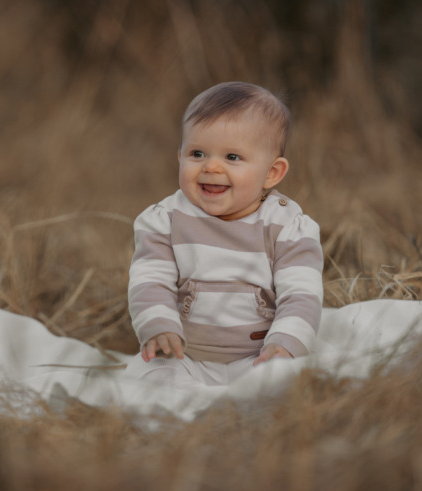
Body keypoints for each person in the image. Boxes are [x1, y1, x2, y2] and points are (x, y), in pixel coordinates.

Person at [126, 81, 323, 386]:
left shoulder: (286, 226)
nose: (211, 167)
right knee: (148, 377)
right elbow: (150, 280)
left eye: (232, 157)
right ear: (180, 157)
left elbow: (301, 293)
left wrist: (285, 343)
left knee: (286, 382)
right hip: (186, 356)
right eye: (198, 153)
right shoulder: (166, 220)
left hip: (258, 355)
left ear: (272, 173)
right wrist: (158, 327)